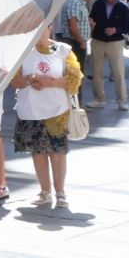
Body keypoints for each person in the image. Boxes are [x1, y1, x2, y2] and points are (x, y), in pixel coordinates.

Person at [13, 27, 82, 209]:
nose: (37, 32)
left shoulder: (63, 50)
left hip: (57, 111)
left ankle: (60, 193)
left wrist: (49, 82)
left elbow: (75, 80)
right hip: (31, 109)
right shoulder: (23, 50)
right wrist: (30, 80)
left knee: (57, 152)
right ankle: (45, 192)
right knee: (38, 152)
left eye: (42, 28)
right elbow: (14, 80)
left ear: (50, 29)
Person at [89, 0, 129, 109]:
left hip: (115, 42)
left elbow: (127, 27)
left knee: (118, 72)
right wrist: (91, 21)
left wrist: (115, 30)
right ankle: (99, 99)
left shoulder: (123, 7)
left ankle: (122, 100)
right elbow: (92, 17)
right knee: (97, 71)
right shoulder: (97, 4)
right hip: (98, 40)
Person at [56, 0, 92, 101]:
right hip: (75, 43)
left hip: (76, 42)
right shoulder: (75, 2)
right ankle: (75, 103)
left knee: (76, 74)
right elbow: (72, 26)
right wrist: (81, 41)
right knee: (76, 75)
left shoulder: (76, 2)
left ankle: (76, 102)